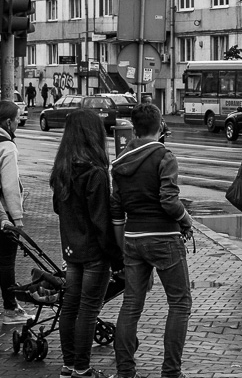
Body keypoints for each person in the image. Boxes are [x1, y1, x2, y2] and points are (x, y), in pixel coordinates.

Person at [110, 103, 192, 378]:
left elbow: (116, 208)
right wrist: (186, 220)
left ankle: (125, 371)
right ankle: (171, 371)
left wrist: (122, 245)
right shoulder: (164, 156)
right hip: (164, 238)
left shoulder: (120, 162)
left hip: (133, 238)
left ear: (134, 128)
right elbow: (169, 200)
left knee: (131, 305)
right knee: (179, 303)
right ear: (160, 126)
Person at [51, 109, 124, 378]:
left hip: (71, 250)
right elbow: (101, 222)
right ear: (94, 135)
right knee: (88, 309)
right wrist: (117, 258)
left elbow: (59, 208)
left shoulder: (62, 169)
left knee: (70, 306)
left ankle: (69, 365)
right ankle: (82, 368)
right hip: (94, 253)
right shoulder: (95, 173)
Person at [0, 101, 32, 325]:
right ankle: (10, 309)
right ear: (8, 121)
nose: (20, 122)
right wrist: (17, 219)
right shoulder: (7, 147)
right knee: (5, 262)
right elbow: (10, 186)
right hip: (4, 217)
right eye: (18, 118)